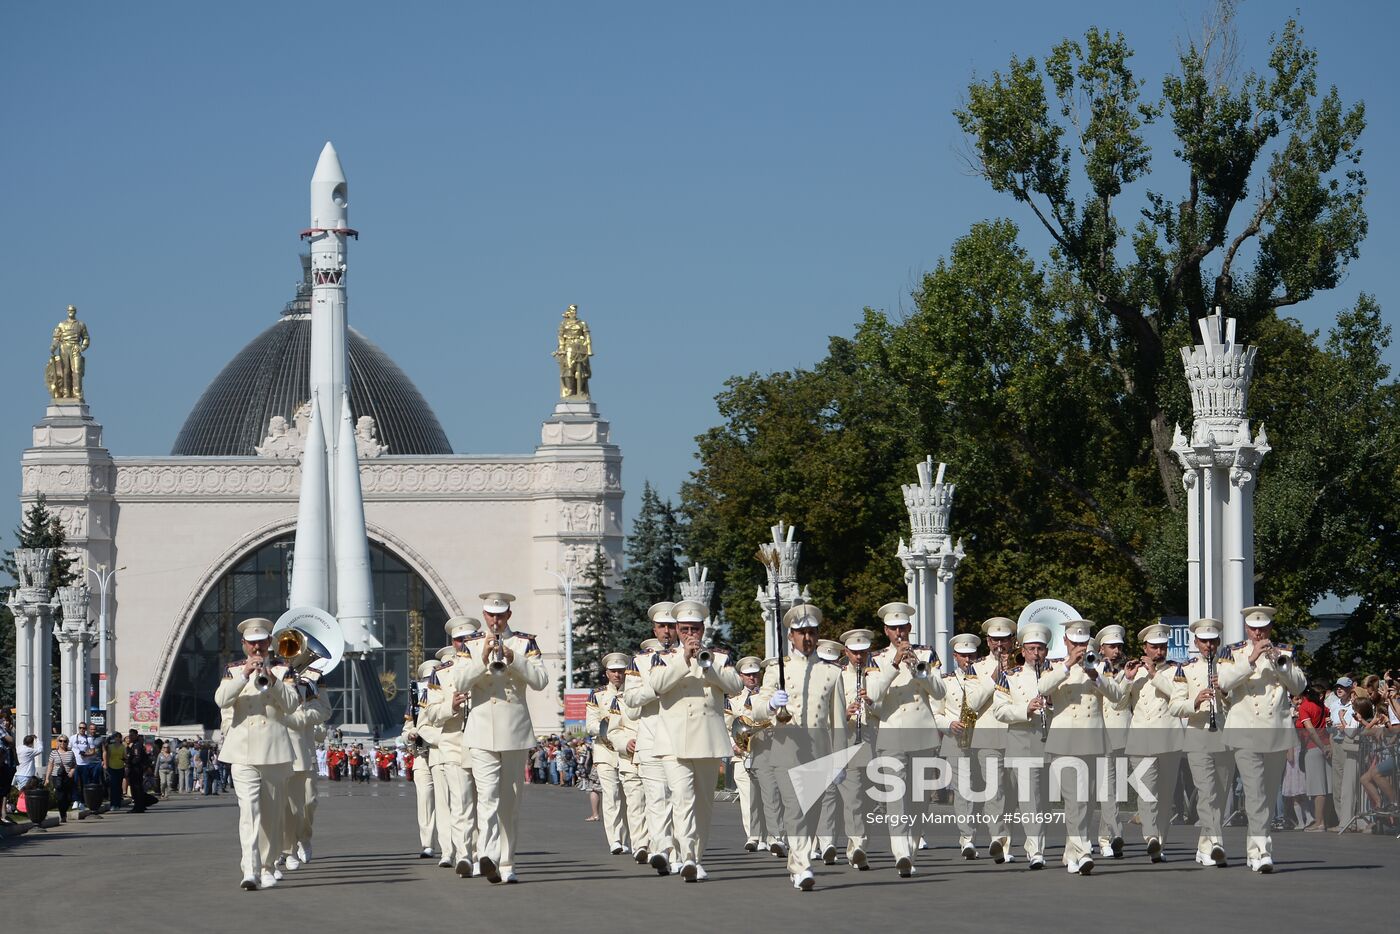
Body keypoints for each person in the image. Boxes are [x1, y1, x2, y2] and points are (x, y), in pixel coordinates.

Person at [436, 592, 548, 884]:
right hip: (481, 729)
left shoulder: (525, 643)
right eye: (490, 615)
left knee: (509, 801)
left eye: (500, 616)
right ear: (484, 616)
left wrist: (515, 659)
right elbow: (458, 682)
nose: (495, 621)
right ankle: (487, 855)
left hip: (514, 730)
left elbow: (540, 681)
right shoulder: (471, 645)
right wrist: (482, 659)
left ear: (508, 615)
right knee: (486, 797)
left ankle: (507, 862)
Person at [647, 599, 743, 884]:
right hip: (673, 741)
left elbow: (735, 687)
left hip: (708, 740)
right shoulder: (662, 658)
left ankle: (696, 857)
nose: (690, 634)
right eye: (685, 629)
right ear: (676, 630)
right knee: (682, 799)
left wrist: (707, 664)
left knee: (703, 805)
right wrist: (684, 660)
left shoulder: (719, 658)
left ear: (703, 629)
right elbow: (657, 686)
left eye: (695, 629)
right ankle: (687, 857)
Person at [1216, 605, 1307, 872]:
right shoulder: (1232, 652)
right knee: (1255, 793)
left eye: (1264, 628)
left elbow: (1299, 685)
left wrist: (1281, 663)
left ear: (1270, 628)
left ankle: (1255, 850)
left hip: (1275, 731)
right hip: (1244, 730)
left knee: (1267, 795)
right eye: (1254, 628)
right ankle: (1262, 851)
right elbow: (1223, 683)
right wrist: (1252, 658)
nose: (1259, 633)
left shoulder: (1286, 653)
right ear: (1247, 628)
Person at [1034, 620, 1127, 876]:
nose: (1079, 647)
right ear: (1065, 642)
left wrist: (1095, 675)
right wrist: (1067, 664)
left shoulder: (1100, 666)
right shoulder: (1053, 666)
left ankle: (1072, 851)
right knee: (1073, 799)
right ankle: (1084, 851)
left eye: (1083, 643)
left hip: (1093, 739)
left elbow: (1118, 696)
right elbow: (1042, 688)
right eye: (1075, 643)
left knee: (1084, 801)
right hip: (1064, 741)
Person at [215, 617, 300, 891]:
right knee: (248, 812)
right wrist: (245, 675)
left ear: (270, 643)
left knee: (272, 815)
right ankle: (250, 869)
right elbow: (221, 700)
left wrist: (272, 679)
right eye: (252, 644)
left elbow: (291, 705)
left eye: (262, 642)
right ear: (244, 645)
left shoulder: (284, 670)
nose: (257, 648)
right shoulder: (233, 670)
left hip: (274, 751)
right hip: (242, 752)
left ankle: (268, 865)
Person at [866, 602, 945, 877]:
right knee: (895, 797)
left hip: (922, 732)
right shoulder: (875, 658)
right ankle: (901, 853)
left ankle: (910, 849)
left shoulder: (925, 653)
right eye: (894, 628)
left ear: (909, 628)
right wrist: (895, 662)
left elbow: (938, 691)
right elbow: (873, 694)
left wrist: (917, 669)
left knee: (920, 799)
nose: (900, 632)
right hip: (891, 734)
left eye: (903, 627)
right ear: (886, 631)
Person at [622, 604, 682, 875]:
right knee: (657, 800)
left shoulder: (689, 656)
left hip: (683, 738)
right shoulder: (640, 661)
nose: (667, 631)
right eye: (662, 627)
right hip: (651, 738)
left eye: (671, 626)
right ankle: (662, 849)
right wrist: (656, 689)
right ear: (654, 630)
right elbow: (632, 702)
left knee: (682, 800)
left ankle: (682, 853)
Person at [989, 622, 1054, 870]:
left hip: (1052, 744)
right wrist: (1026, 709)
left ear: (1046, 651)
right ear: (1023, 651)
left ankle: (1035, 845)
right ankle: (1036, 850)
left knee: (1044, 802)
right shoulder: (1010, 677)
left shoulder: (1056, 674)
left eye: (1040, 648)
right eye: (1031, 648)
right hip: (1022, 744)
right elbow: (999, 710)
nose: (1036, 653)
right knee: (1030, 801)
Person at [1121, 623, 1184, 862]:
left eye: (1162, 647)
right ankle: (1151, 837)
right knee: (1146, 792)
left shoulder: (1176, 671)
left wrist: (1154, 674)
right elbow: (1118, 702)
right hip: (1140, 740)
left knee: (1165, 796)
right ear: (1144, 647)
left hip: (1168, 738)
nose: (1159, 652)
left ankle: (1160, 843)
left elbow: (1177, 695)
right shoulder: (1132, 672)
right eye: (1154, 647)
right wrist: (1127, 679)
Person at [425, 619, 483, 877]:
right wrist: (452, 706)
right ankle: (464, 855)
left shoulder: (485, 667)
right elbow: (431, 714)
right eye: (460, 640)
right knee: (460, 803)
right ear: (452, 642)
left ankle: (483, 852)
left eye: (469, 638)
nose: (464, 644)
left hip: (483, 743)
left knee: (484, 803)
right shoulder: (442, 673)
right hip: (453, 745)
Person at [586, 652, 632, 854]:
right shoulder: (597, 695)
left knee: (629, 797)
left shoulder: (633, 694)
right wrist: (607, 729)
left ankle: (628, 838)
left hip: (627, 751)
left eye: (621, 671)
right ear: (607, 673)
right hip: (605, 750)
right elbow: (590, 724)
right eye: (614, 671)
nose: (618, 675)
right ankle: (615, 840)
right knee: (611, 795)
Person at [1295, 682, 1332, 831]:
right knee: (1326, 787)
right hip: (1325, 744)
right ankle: (1326, 820)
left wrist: (1321, 747)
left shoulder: (1305, 706)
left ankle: (1319, 822)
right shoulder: (1322, 707)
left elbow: (1310, 730)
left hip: (1313, 747)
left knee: (1318, 788)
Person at [44, 734, 78, 822]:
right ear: (58, 742)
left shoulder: (70, 752)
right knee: (60, 796)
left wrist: (72, 771)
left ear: (67, 743)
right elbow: (50, 765)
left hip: (67, 776)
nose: (63, 743)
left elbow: (74, 764)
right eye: (61, 741)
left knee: (68, 797)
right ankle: (63, 815)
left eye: (65, 741)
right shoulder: (54, 753)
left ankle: (64, 810)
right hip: (57, 776)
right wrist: (47, 778)